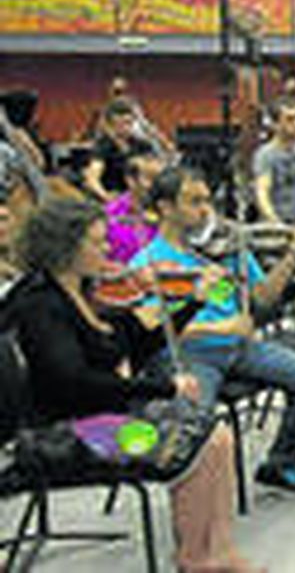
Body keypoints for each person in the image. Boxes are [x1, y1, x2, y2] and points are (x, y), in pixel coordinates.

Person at [10, 197, 261, 572]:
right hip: (71, 432)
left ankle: (216, 550)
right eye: (97, 242)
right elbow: (74, 382)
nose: (108, 250)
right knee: (190, 440)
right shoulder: (40, 305)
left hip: (103, 417)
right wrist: (164, 388)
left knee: (217, 435)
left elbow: (139, 344)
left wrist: (193, 302)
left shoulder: (86, 292)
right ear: (65, 247)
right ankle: (197, 558)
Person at [130, 167, 295, 492]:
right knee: (196, 422)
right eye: (194, 201)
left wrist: (293, 255)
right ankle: (199, 499)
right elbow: (150, 326)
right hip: (189, 356)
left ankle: (280, 465)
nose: (205, 210)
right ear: (166, 208)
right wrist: (224, 326)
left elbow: (262, 296)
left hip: (238, 348)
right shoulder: (148, 263)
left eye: (207, 201)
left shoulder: (224, 248)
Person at [251, 105, 295, 225]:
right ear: (275, 125)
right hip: (278, 222)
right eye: (290, 119)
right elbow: (262, 193)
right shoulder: (266, 154)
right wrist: (275, 222)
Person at [85, 98, 158, 203]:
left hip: (140, 198)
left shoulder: (143, 145)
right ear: (110, 125)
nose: (126, 128)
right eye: (120, 124)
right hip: (115, 198)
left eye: (129, 123)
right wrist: (105, 196)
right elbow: (92, 179)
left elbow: (152, 172)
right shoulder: (103, 146)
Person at [105, 150, 163, 263]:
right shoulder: (110, 215)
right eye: (151, 178)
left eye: (160, 179)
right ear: (130, 180)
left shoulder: (170, 212)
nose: (158, 185)